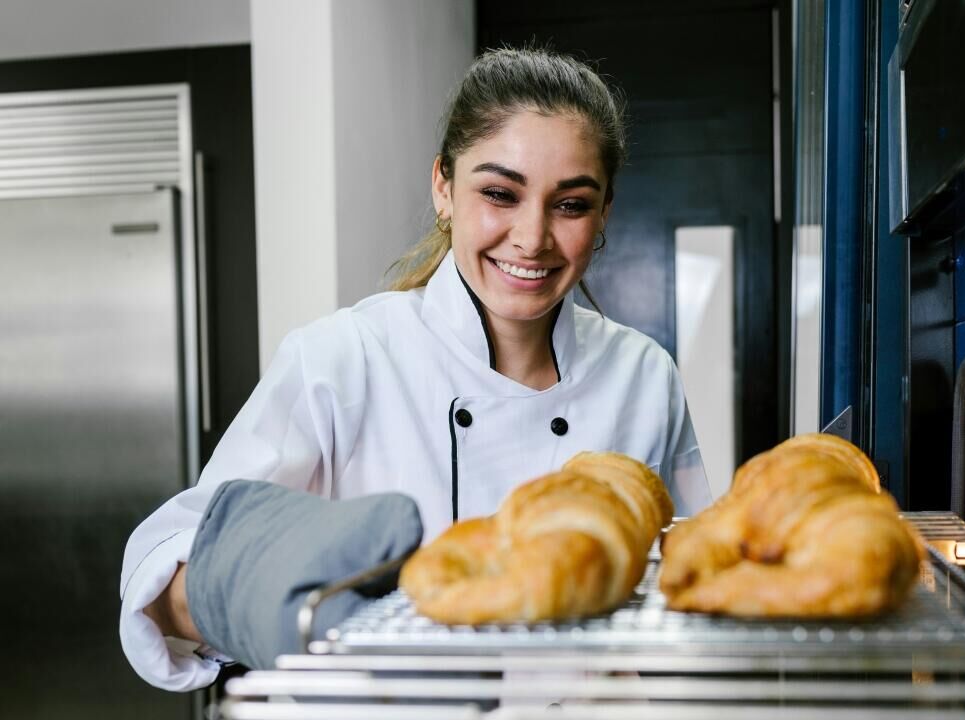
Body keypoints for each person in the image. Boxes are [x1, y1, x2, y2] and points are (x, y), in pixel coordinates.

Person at [120, 46, 712, 691]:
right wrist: (272, 602)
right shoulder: (344, 358)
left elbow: (692, 578)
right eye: (499, 193)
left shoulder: (645, 377)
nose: (532, 237)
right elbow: (165, 572)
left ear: (603, 213)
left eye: (570, 204)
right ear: (443, 187)